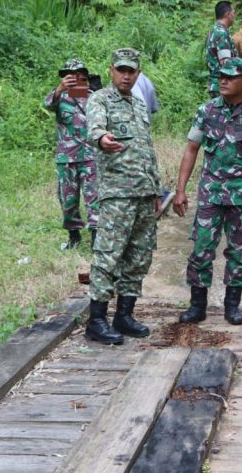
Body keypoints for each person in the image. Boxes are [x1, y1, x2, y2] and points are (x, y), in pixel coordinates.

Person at [173, 57, 242, 326]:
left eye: (231, 77)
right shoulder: (206, 111)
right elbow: (191, 150)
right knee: (201, 248)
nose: (224, 81)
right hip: (210, 194)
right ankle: (197, 306)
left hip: (241, 197)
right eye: (221, 76)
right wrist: (180, 190)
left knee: (239, 252)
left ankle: (233, 306)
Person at [85, 48, 163, 345]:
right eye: (121, 70)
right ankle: (96, 321)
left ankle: (124, 315)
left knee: (138, 256)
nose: (126, 75)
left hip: (144, 193)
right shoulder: (100, 99)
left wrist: (155, 189)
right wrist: (102, 139)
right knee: (108, 256)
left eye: (131, 70)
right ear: (111, 70)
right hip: (118, 195)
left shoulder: (139, 105)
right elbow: (95, 129)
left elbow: (146, 150)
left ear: (138, 73)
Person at [44, 58, 98, 249]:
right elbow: (47, 105)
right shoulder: (59, 98)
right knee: (68, 200)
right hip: (67, 158)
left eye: (79, 74)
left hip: (91, 157)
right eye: (70, 75)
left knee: (95, 199)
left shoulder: (94, 96)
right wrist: (59, 89)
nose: (75, 78)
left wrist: (97, 90)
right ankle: (74, 236)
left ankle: (96, 238)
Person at [131, 72, 173, 217]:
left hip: (134, 135)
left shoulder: (132, 84)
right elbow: (153, 108)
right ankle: (161, 195)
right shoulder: (146, 80)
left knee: (137, 170)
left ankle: (161, 195)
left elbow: (139, 108)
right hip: (144, 133)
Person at [205, 1, 238, 98]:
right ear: (227, 14)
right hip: (223, 85)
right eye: (233, 13)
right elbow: (226, 62)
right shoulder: (221, 33)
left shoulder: (215, 29)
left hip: (220, 84)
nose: (234, 16)